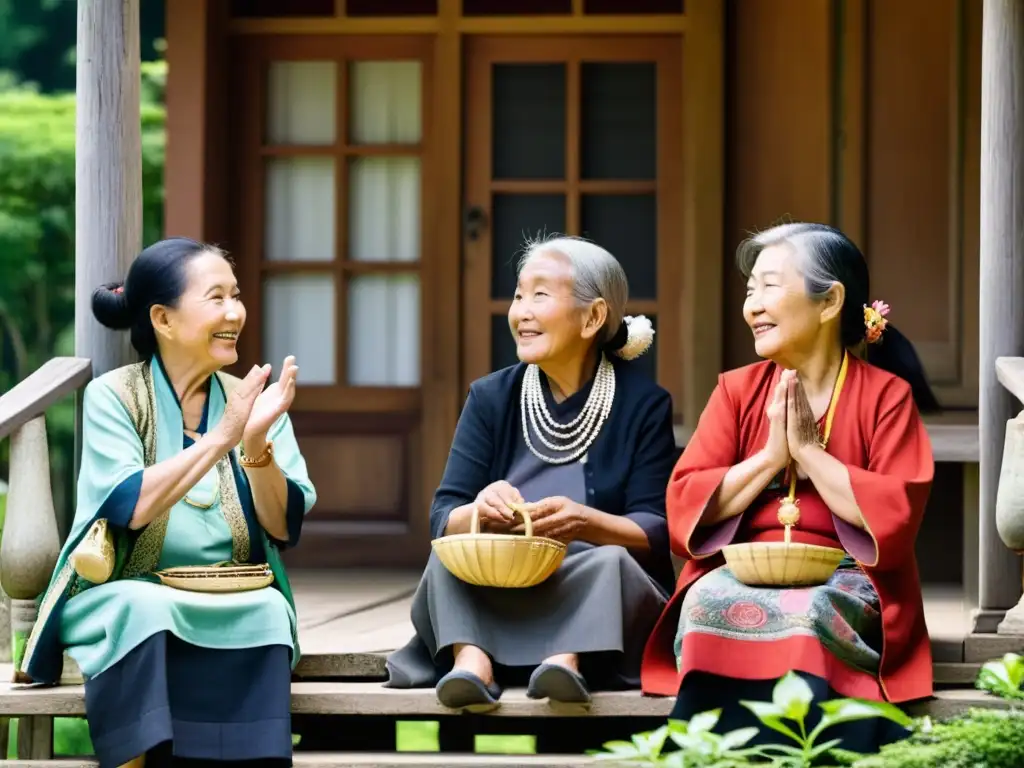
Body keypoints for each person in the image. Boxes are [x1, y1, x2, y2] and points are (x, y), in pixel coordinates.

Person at [18, 237, 317, 768]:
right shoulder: (115, 396)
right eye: (216, 298)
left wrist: (254, 446)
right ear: (163, 318)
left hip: (234, 592)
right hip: (122, 593)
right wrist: (222, 436)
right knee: (147, 606)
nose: (236, 312)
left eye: (237, 296)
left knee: (271, 609)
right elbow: (131, 506)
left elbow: (282, 525)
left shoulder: (254, 402)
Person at [641, 222, 938, 749]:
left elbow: (894, 514)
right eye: (750, 290)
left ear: (829, 303)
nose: (752, 305)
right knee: (706, 602)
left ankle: (814, 751)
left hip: (848, 575)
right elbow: (686, 499)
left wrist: (809, 455)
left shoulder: (886, 396)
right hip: (743, 567)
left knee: (806, 613)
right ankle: (709, 753)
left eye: (769, 287)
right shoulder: (736, 390)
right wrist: (770, 458)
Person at [385, 235, 678, 712]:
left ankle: (566, 661)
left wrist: (585, 522)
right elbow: (443, 515)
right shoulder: (490, 396)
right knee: (449, 553)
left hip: (590, 590)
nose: (521, 311)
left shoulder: (643, 404)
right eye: (519, 295)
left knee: (612, 564)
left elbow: (656, 529)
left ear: (593, 317)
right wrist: (477, 512)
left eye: (540, 295)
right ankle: (471, 663)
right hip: (502, 581)